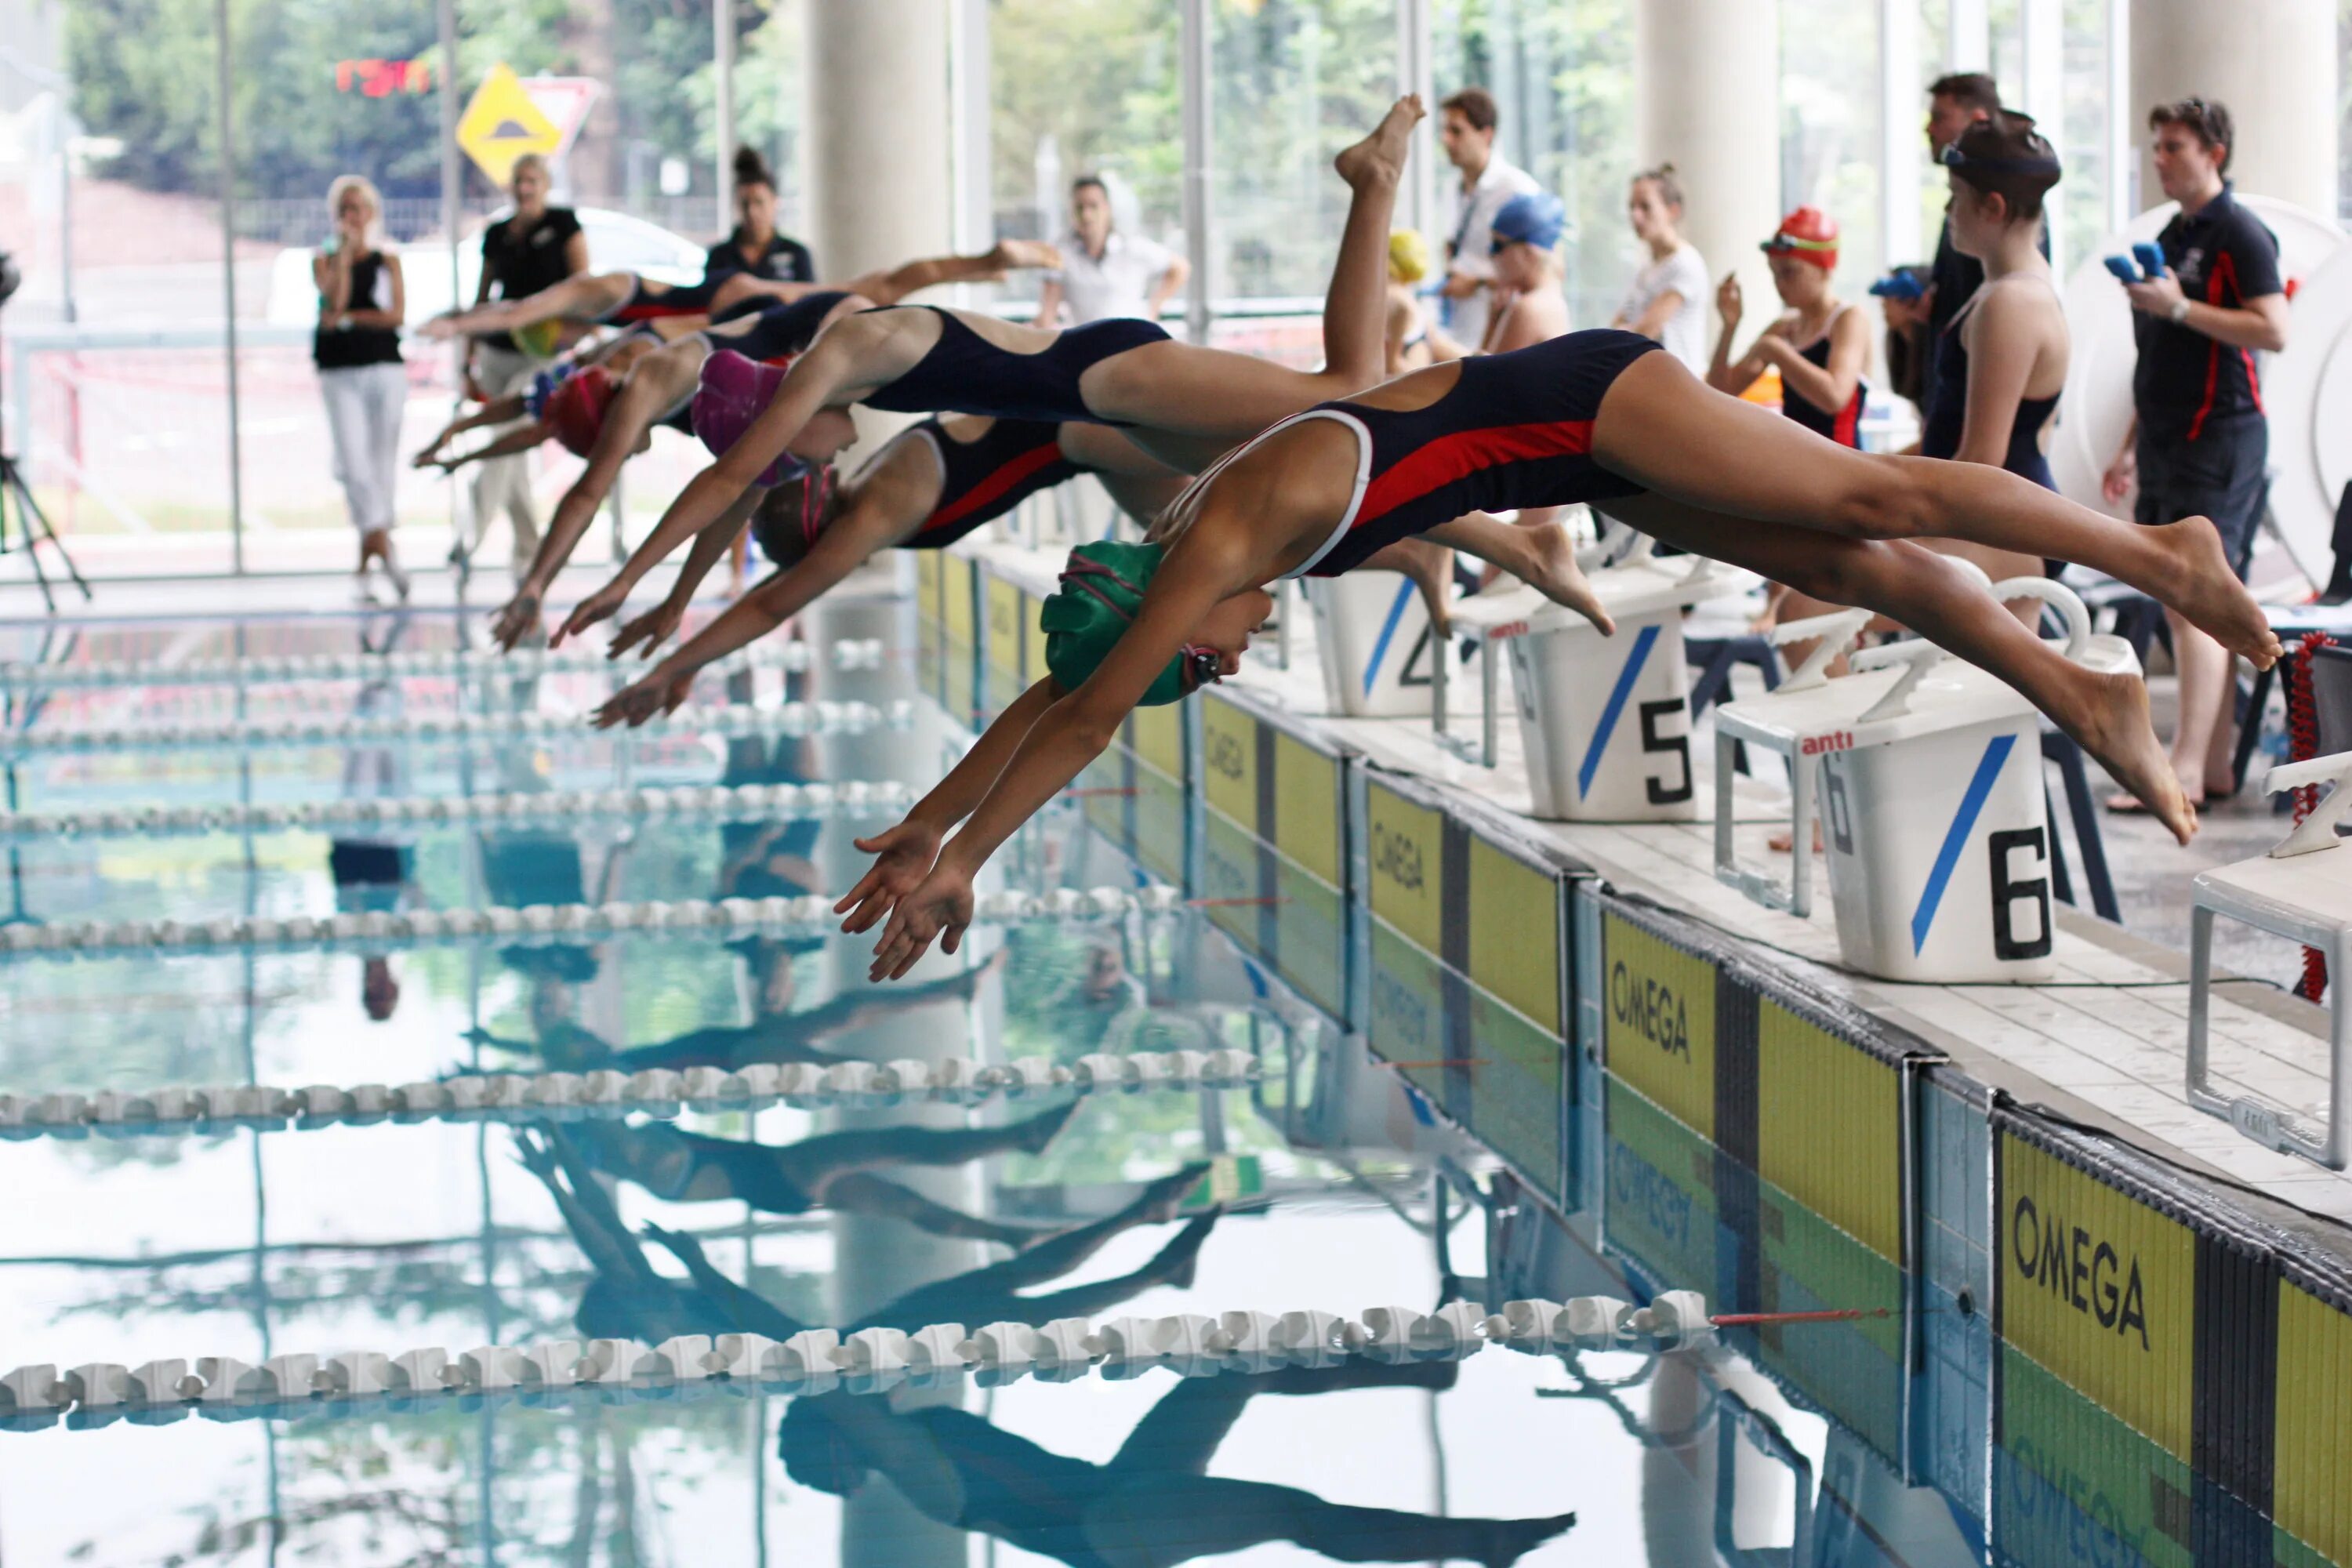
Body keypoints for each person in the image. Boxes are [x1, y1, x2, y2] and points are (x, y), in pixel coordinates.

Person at [838, 331, 2288, 976]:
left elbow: (1090, 720)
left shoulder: (1215, 547)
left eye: (1196, 662)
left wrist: (974, 856)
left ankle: (2166, 556)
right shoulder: (1189, 550)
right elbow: (1063, 694)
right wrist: (925, 822)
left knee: (1878, 497)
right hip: (1562, 467)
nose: (1224, 661)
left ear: (1163, 612)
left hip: (1591, 401)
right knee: (1864, 574)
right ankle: (2081, 689)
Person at [640, 100, 1465, 564]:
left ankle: (1373, 183)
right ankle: (1494, 543)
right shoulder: (838, 373)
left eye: (807, 455)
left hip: (1107, 379)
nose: (828, 454)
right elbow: (740, 493)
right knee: (1273, 472)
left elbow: (728, 483)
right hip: (1103, 402)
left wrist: (626, 582)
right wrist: (671, 603)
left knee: (1344, 392)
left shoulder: (835, 360)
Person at [575, 410, 1189, 712]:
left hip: (1089, 424)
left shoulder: (874, 510)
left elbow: (771, 602)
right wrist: (686, 660)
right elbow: (752, 509)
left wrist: (669, 668)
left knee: (1241, 496)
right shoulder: (866, 483)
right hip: (1087, 442)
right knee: (1188, 545)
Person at [782, 1363, 1579, 1568]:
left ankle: (1423, 1370)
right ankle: (1481, 1541)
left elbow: (834, 1377)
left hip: (1115, 1485)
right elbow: (810, 1364)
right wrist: (704, 1291)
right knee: (1291, 1511)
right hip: (1111, 1530)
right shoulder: (906, 1458)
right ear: (843, 1436)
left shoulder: (913, 1429)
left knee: (1227, 1371)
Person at [2102, 98, 2288, 813]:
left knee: (2196, 605)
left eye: (2173, 146)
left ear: (2214, 151)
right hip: (2168, 439)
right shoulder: (2174, 232)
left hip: (2221, 437)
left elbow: (2274, 329)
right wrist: (2129, 448)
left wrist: (2179, 307)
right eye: (2155, 145)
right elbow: (2158, 361)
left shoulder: (2241, 233)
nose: (2159, 158)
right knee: (2182, 600)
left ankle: (2180, 772)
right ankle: (2211, 768)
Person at [1929, 111, 2069, 590]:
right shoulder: (2003, 288)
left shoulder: (2013, 302)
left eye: (1956, 197)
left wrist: (1891, 511)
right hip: (2002, 520)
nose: (1949, 212)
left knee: (1810, 602)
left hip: (2008, 530)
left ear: (1992, 207)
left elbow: (1982, 460)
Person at [460, 153, 586, 575]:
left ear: (545, 184)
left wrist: (576, 338)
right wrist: (467, 358)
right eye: (518, 180)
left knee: (511, 427)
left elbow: (583, 288)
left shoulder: (564, 225)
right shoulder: (497, 234)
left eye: (532, 179)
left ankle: (469, 533)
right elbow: (483, 298)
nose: (525, 187)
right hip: (498, 349)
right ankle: (527, 548)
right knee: (509, 444)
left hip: (544, 354)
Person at [313, 174, 409, 603]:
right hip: (339, 369)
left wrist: (352, 319)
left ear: (372, 213)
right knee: (353, 463)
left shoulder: (389, 260)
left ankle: (366, 554)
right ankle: (383, 543)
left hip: (384, 366)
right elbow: (334, 304)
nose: (353, 217)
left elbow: (394, 317)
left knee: (381, 461)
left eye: (360, 208)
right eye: (345, 209)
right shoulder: (325, 259)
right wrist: (346, 259)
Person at [1708, 208, 1870, 448]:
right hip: (1799, 463)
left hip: (1844, 468)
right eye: (1775, 274)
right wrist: (1729, 328)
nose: (1780, 284)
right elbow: (1720, 393)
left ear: (1824, 268)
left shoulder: (1848, 319)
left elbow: (1835, 397)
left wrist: (1776, 351)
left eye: (1790, 272)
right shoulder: (1785, 327)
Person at [1436, 86, 1542, 350]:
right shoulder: (1453, 188)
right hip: (1460, 326)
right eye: (1444, 130)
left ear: (1486, 134)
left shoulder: (1517, 190)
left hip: (1502, 332)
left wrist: (1476, 283)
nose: (1446, 140)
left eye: (1456, 131)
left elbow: (1541, 270)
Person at [1036, 173, 1188, 327]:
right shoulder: (1060, 252)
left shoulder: (1132, 247)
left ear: (1107, 208)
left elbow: (1180, 268)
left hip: (1134, 343)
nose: (1086, 215)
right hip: (1087, 346)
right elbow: (1048, 311)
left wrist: (1153, 310)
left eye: (1093, 206)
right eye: (1080, 207)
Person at [1611, 164, 1711, 373]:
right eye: (1632, 207)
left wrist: (1623, 332)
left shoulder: (1685, 263)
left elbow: (1646, 331)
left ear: (1672, 211)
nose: (1636, 216)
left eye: (1645, 207)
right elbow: (1619, 324)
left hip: (1679, 386)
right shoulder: (1647, 267)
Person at [702, 145, 815, 287]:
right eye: (745, 204)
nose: (752, 212)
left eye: (759, 202)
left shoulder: (796, 254)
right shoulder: (719, 256)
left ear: (775, 202)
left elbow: (811, 303)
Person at [1385, 230, 1435, 373]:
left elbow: (1392, 365)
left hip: (1409, 387)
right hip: (1415, 388)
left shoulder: (1396, 301)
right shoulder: (1407, 303)